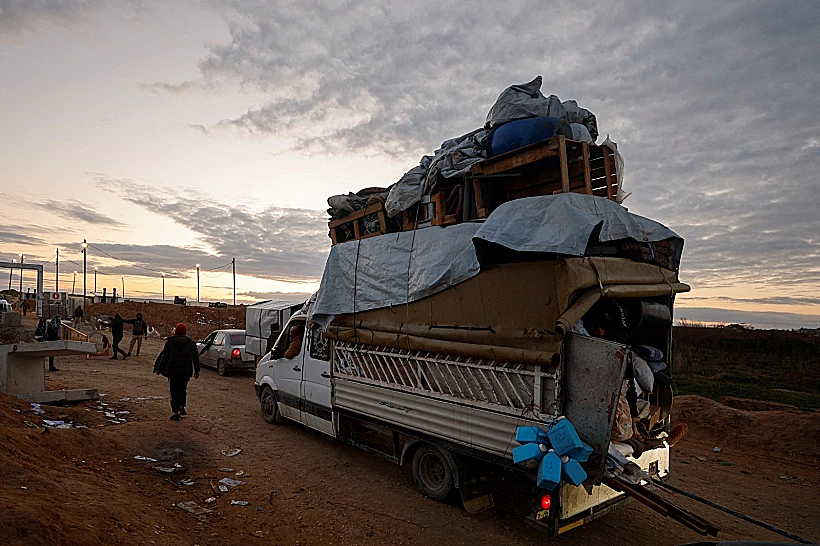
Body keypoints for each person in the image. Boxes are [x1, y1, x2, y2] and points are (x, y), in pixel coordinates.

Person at [153, 322, 200, 421]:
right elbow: (195, 358)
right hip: (185, 372)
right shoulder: (191, 343)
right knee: (182, 389)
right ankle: (182, 407)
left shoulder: (170, 343)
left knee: (174, 391)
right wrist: (197, 370)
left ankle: (176, 412)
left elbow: (164, 357)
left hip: (173, 372)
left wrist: (159, 369)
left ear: (176, 331)